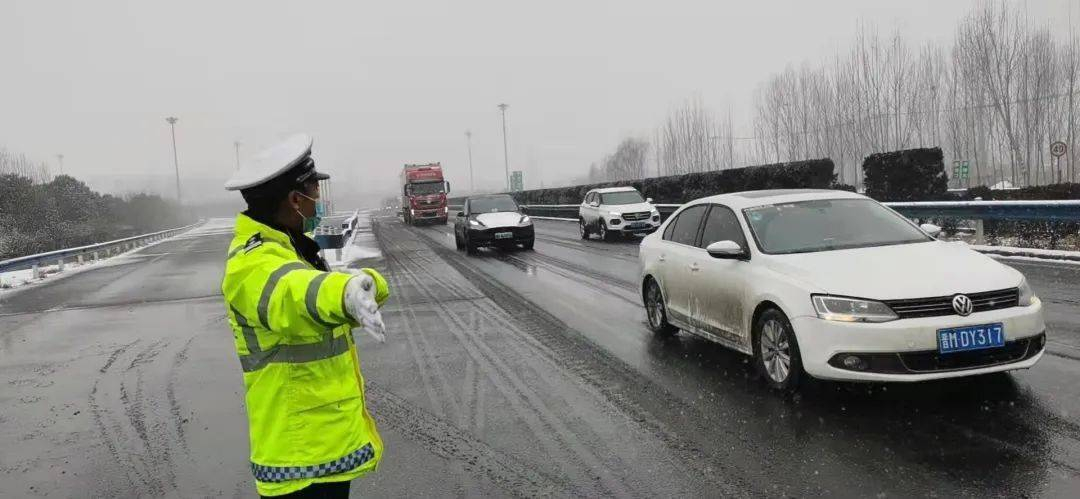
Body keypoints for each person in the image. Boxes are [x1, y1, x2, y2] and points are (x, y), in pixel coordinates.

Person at [221, 133, 390, 498]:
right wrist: (343, 293)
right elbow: (291, 293)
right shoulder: (252, 262)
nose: (318, 201)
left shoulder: (291, 246)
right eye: (315, 192)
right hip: (297, 460)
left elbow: (311, 285)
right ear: (296, 200)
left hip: (320, 447)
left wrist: (367, 283)